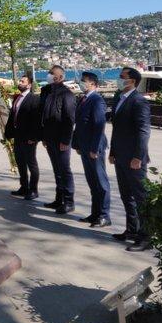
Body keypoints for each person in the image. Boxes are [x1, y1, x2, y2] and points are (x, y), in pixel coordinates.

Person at [109, 66, 152, 252]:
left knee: (141, 197)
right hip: (120, 156)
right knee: (126, 195)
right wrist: (112, 151)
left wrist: (138, 156)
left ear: (132, 81)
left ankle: (146, 236)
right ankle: (132, 230)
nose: (119, 79)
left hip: (134, 159)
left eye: (122, 76)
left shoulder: (139, 101)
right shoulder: (120, 98)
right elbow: (117, 130)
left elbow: (144, 131)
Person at [72, 72, 111, 227]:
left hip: (94, 148)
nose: (81, 83)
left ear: (93, 84)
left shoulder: (97, 100)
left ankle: (104, 216)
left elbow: (99, 125)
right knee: (92, 182)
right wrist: (77, 144)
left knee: (101, 182)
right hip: (84, 146)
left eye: (84, 81)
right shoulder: (84, 99)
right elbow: (79, 124)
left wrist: (94, 148)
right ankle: (95, 213)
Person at [40, 65, 76, 214]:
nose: (49, 75)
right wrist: (44, 137)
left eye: (52, 73)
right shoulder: (48, 92)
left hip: (61, 139)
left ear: (60, 77)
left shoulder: (67, 94)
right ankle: (59, 199)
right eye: (49, 72)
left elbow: (69, 119)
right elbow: (44, 116)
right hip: (50, 138)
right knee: (57, 170)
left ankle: (69, 201)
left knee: (64, 170)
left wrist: (66, 140)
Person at [4, 74, 41, 200]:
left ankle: (33, 189)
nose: (19, 83)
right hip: (18, 136)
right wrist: (8, 133)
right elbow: (12, 116)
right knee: (20, 162)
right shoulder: (17, 98)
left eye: (22, 81)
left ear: (29, 85)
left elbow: (36, 120)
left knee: (31, 163)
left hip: (29, 138)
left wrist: (34, 137)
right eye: (20, 81)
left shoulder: (34, 99)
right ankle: (24, 187)